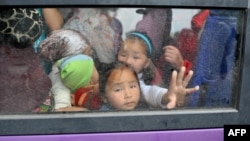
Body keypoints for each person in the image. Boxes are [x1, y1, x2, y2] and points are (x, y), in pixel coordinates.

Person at [117, 31, 199, 108]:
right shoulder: (109, 74)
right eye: (123, 55)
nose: (127, 61)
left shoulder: (139, 84)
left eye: (136, 57)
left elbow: (151, 93)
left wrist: (167, 96)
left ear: (146, 63)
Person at [38, 29, 101, 112]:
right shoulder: (59, 81)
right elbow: (59, 110)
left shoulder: (69, 77)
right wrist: (86, 113)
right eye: (87, 55)